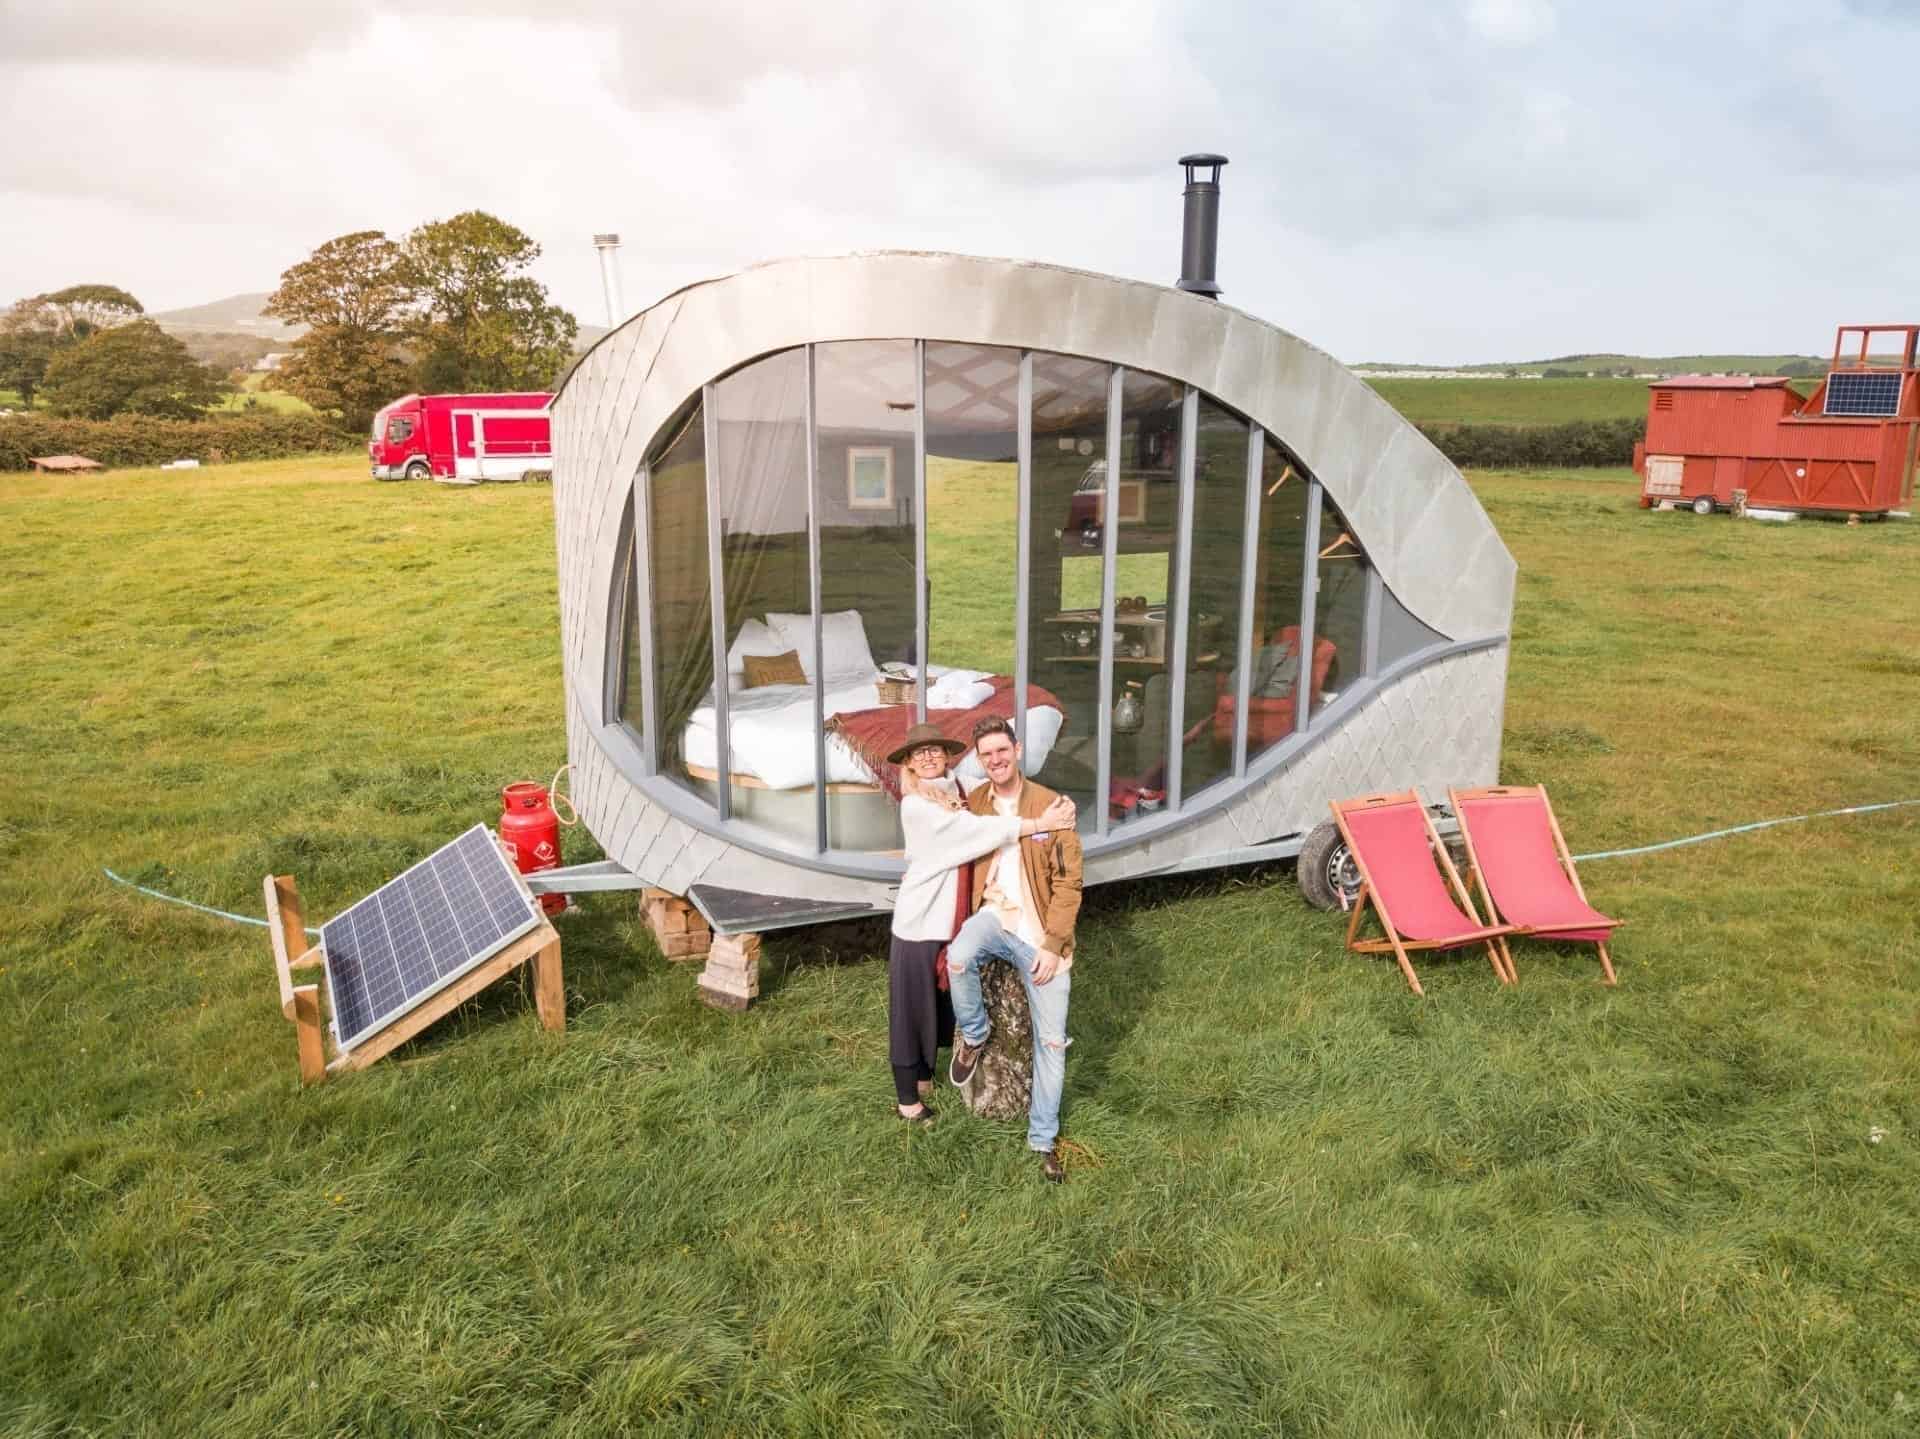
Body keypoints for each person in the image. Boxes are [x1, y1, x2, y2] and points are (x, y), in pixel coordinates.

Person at [886, 722, 1075, 1125]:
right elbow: (974, 830)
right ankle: (907, 1099)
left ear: (946, 755)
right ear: (909, 764)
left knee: (938, 1005)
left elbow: (1003, 783)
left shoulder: (958, 787)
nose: (928, 757)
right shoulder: (916, 805)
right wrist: (1040, 825)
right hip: (921, 919)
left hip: (954, 918)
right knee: (911, 1008)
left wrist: (1057, 804)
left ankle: (924, 1076)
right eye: (919, 754)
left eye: (935, 750)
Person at [945, 716, 1085, 1182]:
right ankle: (976, 1031)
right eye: (986, 755)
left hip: (1039, 934)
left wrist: (1052, 944)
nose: (995, 761)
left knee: (1051, 1043)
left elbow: (1069, 883)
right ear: (979, 760)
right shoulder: (976, 802)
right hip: (994, 917)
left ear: (1018, 749)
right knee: (960, 956)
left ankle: (1043, 1139)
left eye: (1002, 751)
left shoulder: (1052, 807)